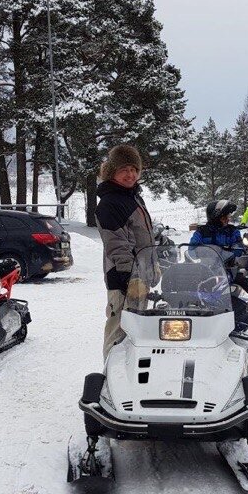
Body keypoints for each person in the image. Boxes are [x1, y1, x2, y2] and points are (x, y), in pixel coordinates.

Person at [94, 144, 155, 359]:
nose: (130, 175)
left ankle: (132, 371)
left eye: (133, 169)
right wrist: (129, 276)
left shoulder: (133, 198)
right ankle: (111, 375)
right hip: (123, 277)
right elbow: (116, 244)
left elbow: (142, 238)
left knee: (136, 327)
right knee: (119, 327)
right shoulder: (110, 203)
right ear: (112, 173)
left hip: (140, 275)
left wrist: (153, 265)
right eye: (124, 170)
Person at [189, 200, 248, 332]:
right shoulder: (201, 231)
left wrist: (229, 251)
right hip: (204, 269)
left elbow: (239, 247)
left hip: (227, 268)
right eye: (225, 216)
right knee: (189, 288)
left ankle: (237, 323)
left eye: (228, 216)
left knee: (243, 286)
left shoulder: (232, 231)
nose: (227, 219)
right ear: (215, 216)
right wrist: (201, 251)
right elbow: (192, 249)